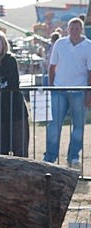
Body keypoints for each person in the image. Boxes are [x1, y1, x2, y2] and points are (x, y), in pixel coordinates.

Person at [43, 17, 91, 168]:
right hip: (59, 90)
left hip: (80, 90)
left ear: (81, 29)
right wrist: (51, 87)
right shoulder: (60, 43)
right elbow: (52, 67)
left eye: (77, 28)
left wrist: (89, 93)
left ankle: (73, 155)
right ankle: (50, 156)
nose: (74, 30)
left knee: (78, 126)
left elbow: (90, 72)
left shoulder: (88, 46)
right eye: (72, 28)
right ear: (67, 29)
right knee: (54, 125)